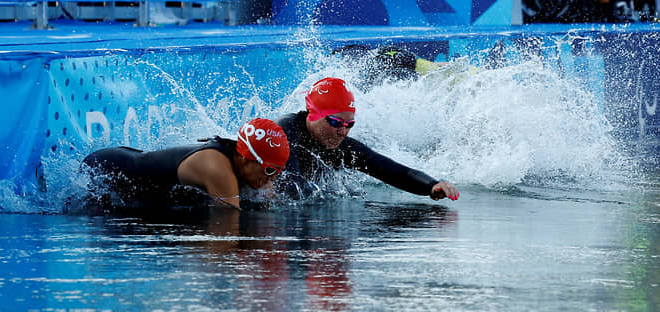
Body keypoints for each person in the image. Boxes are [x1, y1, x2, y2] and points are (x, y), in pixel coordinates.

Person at [275, 77, 460, 201]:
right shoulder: (283, 133)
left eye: (349, 124)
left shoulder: (340, 146)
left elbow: (389, 170)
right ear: (312, 114)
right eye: (335, 122)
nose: (343, 131)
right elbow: (290, 190)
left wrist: (432, 185)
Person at [82, 118, 290, 211]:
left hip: (135, 171)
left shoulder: (256, 169)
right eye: (270, 170)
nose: (272, 179)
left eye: (279, 171)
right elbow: (225, 231)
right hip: (107, 169)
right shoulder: (218, 171)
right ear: (245, 159)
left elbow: (267, 207)